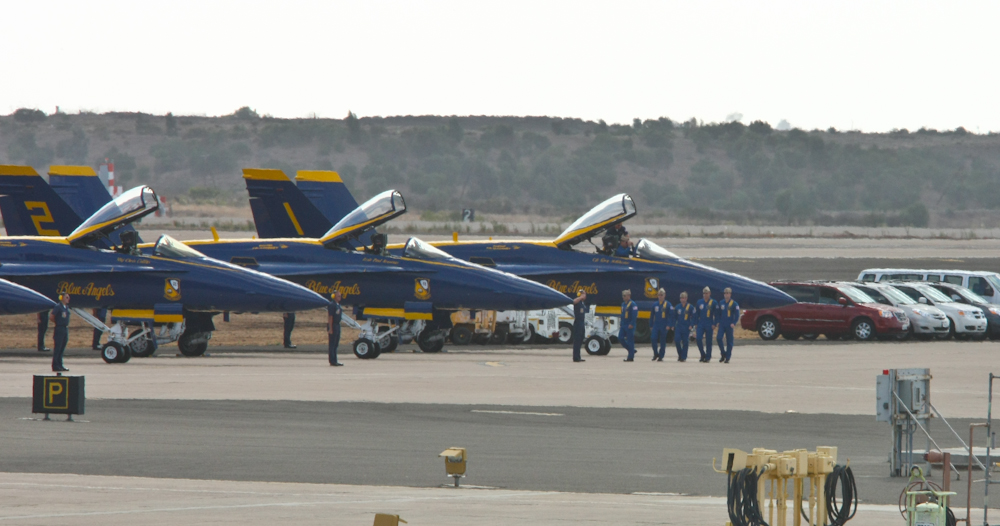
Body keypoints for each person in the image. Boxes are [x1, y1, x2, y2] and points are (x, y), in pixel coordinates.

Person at [715, 287, 740, 364]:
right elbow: (718, 313)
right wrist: (718, 321)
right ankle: (723, 353)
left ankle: (728, 357)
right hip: (722, 324)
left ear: (730, 294)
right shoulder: (721, 303)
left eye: (728, 293)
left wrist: (734, 322)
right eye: (725, 293)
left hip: (729, 324)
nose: (726, 295)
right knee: (719, 338)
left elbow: (737, 315)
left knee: (729, 341)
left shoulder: (734, 304)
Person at [695, 287, 718, 363]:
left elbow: (716, 314)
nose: (705, 295)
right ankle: (702, 354)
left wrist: (714, 324)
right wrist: (696, 323)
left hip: (709, 323)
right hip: (701, 323)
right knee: (698, 338)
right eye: (704, 293)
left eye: (707, 293)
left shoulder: (713, 302)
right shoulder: (699, 302)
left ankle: (708, 357)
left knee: (708, 341)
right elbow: (696, 314)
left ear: (710, 293)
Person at [650, 288, 673, 362]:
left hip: (664, 325)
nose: (660, 296)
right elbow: (652, 316)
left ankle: (661, 355)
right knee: (653, 338)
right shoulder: (655, 305)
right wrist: (651, 325)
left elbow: (671, 316)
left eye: (661, 295)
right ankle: (655, 353)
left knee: (662, 341)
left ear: (664, 295)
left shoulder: (668, 305)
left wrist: (669, 325)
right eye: (659, 295)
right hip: (656, 325)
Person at [50, 294, 71, 372]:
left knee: (62, 347)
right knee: (58, 348)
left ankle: (60, 364)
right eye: (66, 297)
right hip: (59, 328)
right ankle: (55, 365)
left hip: (65, 328)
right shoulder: (58, 307)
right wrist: (58, 322)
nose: (68, 299)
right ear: (62, 298)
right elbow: (52, 316)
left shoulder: (66, 307)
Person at [674, 292, 695, 362]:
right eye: (682, 298)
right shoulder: (677, 307)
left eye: (684, 298)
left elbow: (694, 317)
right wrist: (673, 325)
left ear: (686, 298)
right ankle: (680, 354)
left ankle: (683, 357)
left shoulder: (690, 307)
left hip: (686, 326)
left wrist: (691, 325)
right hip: (679, 326)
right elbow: (674, 317)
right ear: (680, 299)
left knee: (685, 342)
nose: (683, 299)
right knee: (677, 340)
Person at [619, 289, 638, 361]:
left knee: (630, 340)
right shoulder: (623, 304)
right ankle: (631, 350)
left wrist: (632, 323)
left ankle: (630, 357)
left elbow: (634, 315)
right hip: (623, 324)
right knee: (620, 338)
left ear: (628, 296)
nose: (623, 297)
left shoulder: (633, 304)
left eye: (624, 296)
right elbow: (622, 314)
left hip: (629, 325)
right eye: (622, 296)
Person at [571, 289, 587, 362]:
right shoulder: (577, 302)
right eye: (584, 294)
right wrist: (580, 297)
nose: (585, 296)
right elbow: (573, 301)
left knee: (581, 339)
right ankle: (576, 357)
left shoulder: (582, 303)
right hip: (578, 322)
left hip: (582, 322)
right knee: (577, 340)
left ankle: (578, 356)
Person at [328, 291, 343, 366]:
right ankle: (332, 360)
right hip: (333, 325)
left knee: (336, 344)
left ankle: (335, 360)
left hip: (337, 325)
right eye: (338, 296)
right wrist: (330, 328)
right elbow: (330, 317)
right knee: (332, 344)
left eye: (340, 296)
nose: (340, 297)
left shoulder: (338, 305)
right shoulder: (332, 305)